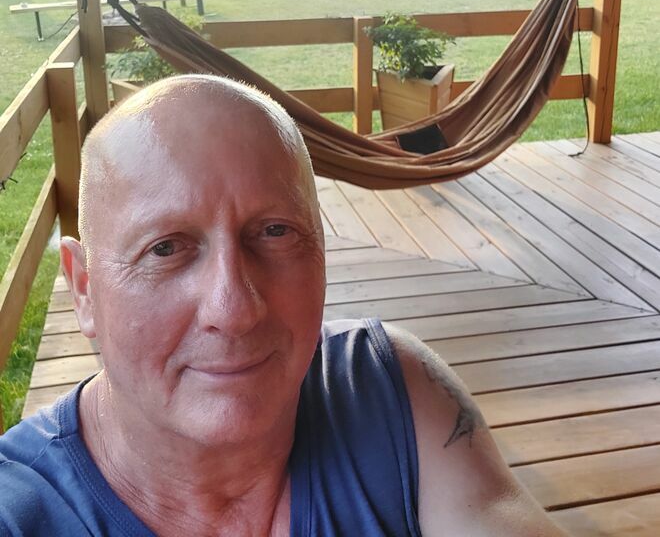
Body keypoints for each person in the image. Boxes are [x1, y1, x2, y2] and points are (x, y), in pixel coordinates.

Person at [0, 75, 568, 536]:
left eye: (274, 232)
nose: (234, 309)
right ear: (83, 288)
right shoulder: (19, 508)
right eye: (166, 248)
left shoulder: (390, 391)